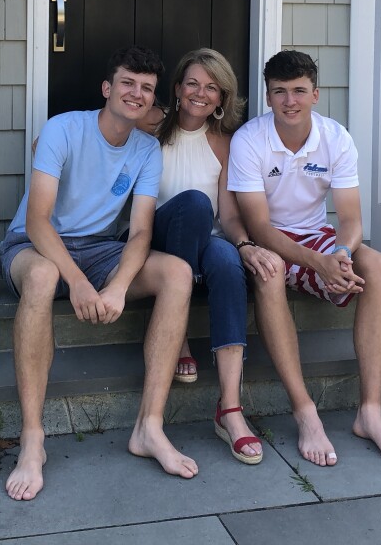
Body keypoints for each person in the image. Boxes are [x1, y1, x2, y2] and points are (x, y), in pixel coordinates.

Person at [0, 46, 198, 502]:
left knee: (179, 273)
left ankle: (149, 426)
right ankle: (33, 439)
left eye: (146, 88)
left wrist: (119, 286)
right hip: (33, 246)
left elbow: (142, 231)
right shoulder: (63, 129)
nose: (137, 93)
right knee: (45, 277)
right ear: (108, 89)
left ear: (152, 102)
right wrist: (82, 283)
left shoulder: (147, 150)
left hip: (100, 250)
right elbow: (38, 221)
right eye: (128, 83)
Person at [228, 50, 381, 469]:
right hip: (272, 241)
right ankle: (305, 411)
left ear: (315, 94)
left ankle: (370, 412)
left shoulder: (335, 137)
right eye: (279, 92)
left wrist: (342, 257)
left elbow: (350, 220)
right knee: (271, 271)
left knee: (377, 266)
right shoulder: (250, 140)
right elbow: (259, 229)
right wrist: (319, 264)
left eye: (298, 91)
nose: (289, 101)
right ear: (268, 95)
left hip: (318, 236)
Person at [146, 49, 283, 465]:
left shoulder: (226, 143)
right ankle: (178, 328)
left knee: (225, 261)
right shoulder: (150, 123)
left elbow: (226, 212)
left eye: (211, 87)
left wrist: (245, 245)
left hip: (206, 236)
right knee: (190, 203)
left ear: (222, 96)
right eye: (192, 83)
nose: (200, 93)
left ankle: (230, 409)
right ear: (177, 89)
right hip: (154, 236)